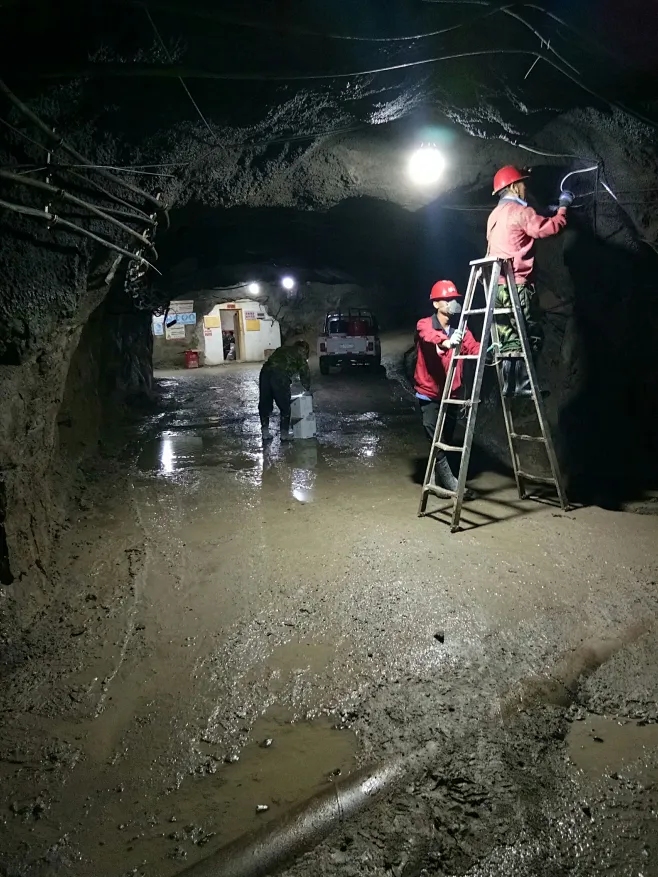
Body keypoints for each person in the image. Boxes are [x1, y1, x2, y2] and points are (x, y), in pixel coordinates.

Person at [487, 165, 572, 396]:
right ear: (514, 186)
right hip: (517, 286)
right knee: (530, 335)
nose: (526, 188)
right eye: (523, 184)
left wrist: (545, 211)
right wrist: (563, 208)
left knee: (509, 339)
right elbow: (548, 229)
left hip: (497, 288)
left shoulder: (494, 215)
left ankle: (510, 385)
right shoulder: (520, 211)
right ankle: (524, 384)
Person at [414, 280, 481, 494]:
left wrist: (488, 349)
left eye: (454, 299)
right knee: (435, 437)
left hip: (452, 394)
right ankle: (453, 484)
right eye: (447, 299)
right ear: (436, 304)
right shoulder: (425, 324)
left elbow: (473, 347)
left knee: (446, 440)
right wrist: (446, 342)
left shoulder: (461, 330)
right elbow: (428, 336)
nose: (452, 302)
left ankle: (435, 482)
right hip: (430, 394)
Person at [259, 340, 311, 442]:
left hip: (265, 372)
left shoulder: (282, 349)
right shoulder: (300, 353)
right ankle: (284, 434)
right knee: (285, 406)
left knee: (265, 402)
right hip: (280, 376)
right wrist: (307, 389)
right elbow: (305, 373)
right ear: (305, 349)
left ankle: (265, 431)